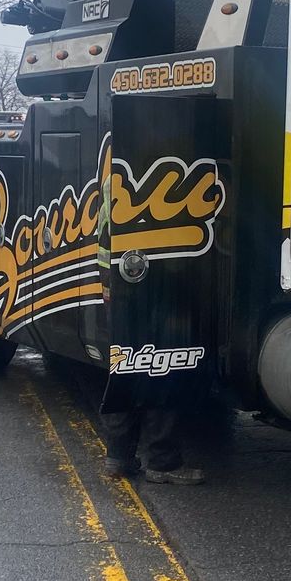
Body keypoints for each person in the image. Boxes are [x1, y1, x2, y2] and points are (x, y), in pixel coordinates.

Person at [94, 173, 203, 484]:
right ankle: (163, 462)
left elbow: (106, 236)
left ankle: (118, 457)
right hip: (153, 287)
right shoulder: (162, 175)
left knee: (125, 368)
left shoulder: (115, 176)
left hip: (120, 285)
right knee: (162, 369)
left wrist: (109, 284)